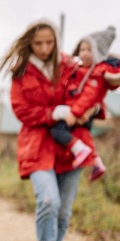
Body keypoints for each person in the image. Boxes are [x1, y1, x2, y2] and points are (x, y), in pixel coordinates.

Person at [0, 20, 98, 241]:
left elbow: (91, 86)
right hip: (38, 145)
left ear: (56, 41)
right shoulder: (21, 72)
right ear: (30, 42)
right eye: (38, 43)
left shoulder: (69, 65)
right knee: (49, 201)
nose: (44, 48)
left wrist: (93, 105)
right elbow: (21, 110)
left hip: (70, 146)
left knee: (63, 213)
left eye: (49, 42)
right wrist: (52, 113)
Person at [50, 25, 120, 181]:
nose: (84, 53)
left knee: (57, 131)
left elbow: (88, 96)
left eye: (89, 50)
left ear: (98, 54)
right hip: (81, 112)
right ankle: (96, 162)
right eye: (82, 49)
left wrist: (74, 114)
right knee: (83, 134)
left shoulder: (96, 73)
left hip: (78, 113)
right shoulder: (80, 70)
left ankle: (80, 150)